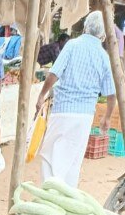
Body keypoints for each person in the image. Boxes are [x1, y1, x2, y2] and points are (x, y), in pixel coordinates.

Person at [35, 11, 115, 188]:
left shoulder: (72, 45)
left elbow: (54, 73)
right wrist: (107, 117)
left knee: (50, 155)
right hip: (84, 116)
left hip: (63, 110)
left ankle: (48, 198)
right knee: (72, 161)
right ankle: (64, 201)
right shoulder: (104, 57)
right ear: (103, 35)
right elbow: (112, 93)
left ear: (85, 26)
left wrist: (41, 95)